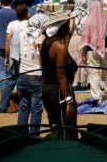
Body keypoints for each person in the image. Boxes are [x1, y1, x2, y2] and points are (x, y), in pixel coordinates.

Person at [41, 11, 78, 139]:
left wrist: (43, 93)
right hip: (60, 93)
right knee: (66, 131)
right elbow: (61, 76)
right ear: (60, 27)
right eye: (67, 25)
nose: (69, 28)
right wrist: (69, 102)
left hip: (48, 91)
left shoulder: (45, 44)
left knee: (55, 129)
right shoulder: (59, 47)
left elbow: (44, 72)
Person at [80, 0, 107, 101]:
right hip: (106, 50)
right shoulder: (106, 22)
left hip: (91, 51)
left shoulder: (88, 23)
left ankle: (96, 97)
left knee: (94, 74)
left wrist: (83, 55)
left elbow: (85, 41)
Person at [17, 13, 48, 137]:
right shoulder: (41, 37)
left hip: (22, 74)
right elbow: (42, 57)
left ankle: (20, 135)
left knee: (23, 109)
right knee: (36, 110)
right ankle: (34, 136)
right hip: (36, 75)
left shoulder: (21, 35)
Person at [0, 3, 30, 113]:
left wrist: (6, 57)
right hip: (26, 55)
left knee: (11, 81)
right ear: (26, 13)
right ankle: (25, 104)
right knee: (26, 80)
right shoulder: (29, 24)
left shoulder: (12, 24)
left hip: (14, 55)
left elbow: (8, 42)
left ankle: (1, 106)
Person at [0, 0, 17, 106]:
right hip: (13, 45)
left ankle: (3, 95)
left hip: (1, 44)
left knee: (2, 70)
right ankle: (10, 95)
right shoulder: (15, 13)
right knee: (13, 71)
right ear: (11, 1)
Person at [68, 0, 89, 91]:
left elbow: (71, 29)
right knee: (84, 59)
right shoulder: (88, 13)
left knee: (74, 59)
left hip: (75, 38)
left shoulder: (73, 13)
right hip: (85, 39)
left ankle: (75, 82)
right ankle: (84, 83)